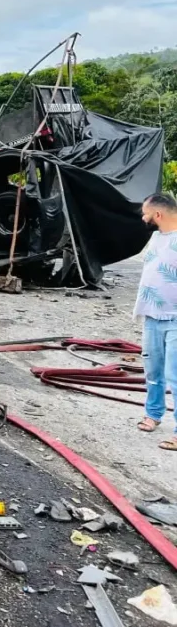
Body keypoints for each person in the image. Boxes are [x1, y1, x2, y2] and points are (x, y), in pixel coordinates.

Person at [136, 192, 177, 449]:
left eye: (146, 213)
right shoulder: (155, 237)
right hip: (152, 316)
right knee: (152, 371)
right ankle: (153, 414)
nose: (144, 217)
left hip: (175, 318)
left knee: (175, 375)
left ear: (158, 215)